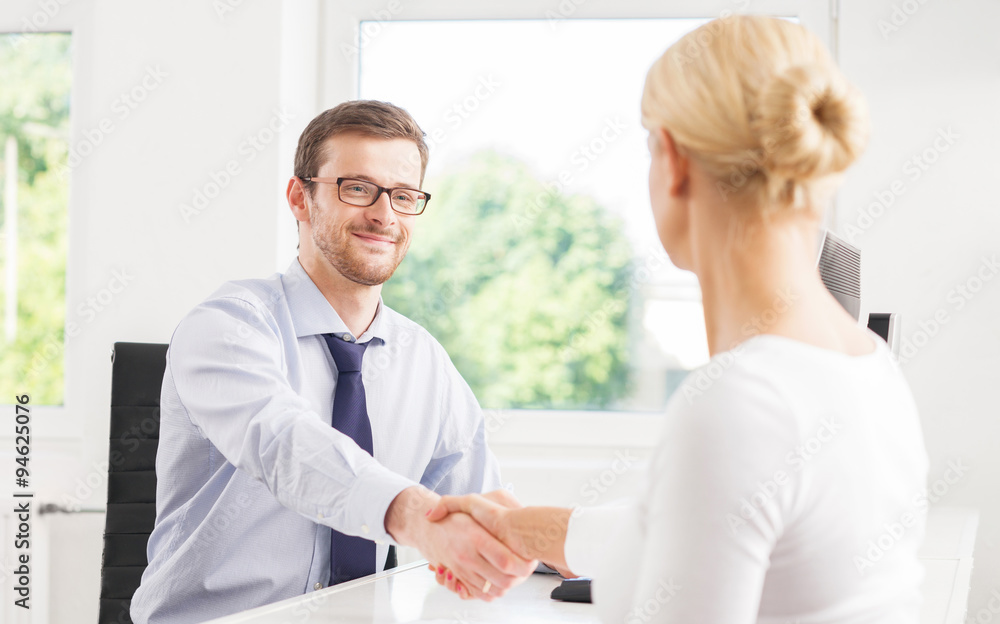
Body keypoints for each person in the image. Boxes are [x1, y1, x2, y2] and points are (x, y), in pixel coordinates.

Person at [427, 15, 929, 622]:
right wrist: (517, 528)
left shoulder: (740, 402)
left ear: (672, 159)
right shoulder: (869, 367)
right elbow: (710, 526)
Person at [130, 100, 534, 624]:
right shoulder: (228, 326)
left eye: (404, 196)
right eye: (358, 188)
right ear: (300, 197)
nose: (384, 214)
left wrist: (562, 545)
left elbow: (480, 499)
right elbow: (285, 445)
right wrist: (416, 519)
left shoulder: (424, 360)